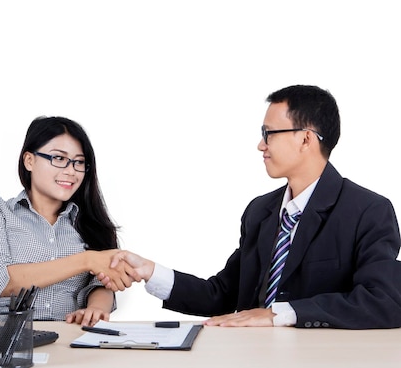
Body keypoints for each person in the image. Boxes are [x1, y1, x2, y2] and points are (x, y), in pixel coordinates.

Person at [101, 85, 401, 329]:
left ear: (306, 138)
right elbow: (220, 295)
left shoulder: (367, 210)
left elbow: (385, 301)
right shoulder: (261, 211)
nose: (261, 145)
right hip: (249, 356)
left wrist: (280, 314)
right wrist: (151, 272)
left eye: (269, 133)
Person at [0, 116, 131, 327]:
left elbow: (100, 283)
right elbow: (3, 282)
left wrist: (96, 309)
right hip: (6, 342)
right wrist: (87, 260)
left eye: (79, 162)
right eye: (59, 158)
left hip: (70, 339)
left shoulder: (90, 222)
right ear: (29, 160)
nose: (71, 171)